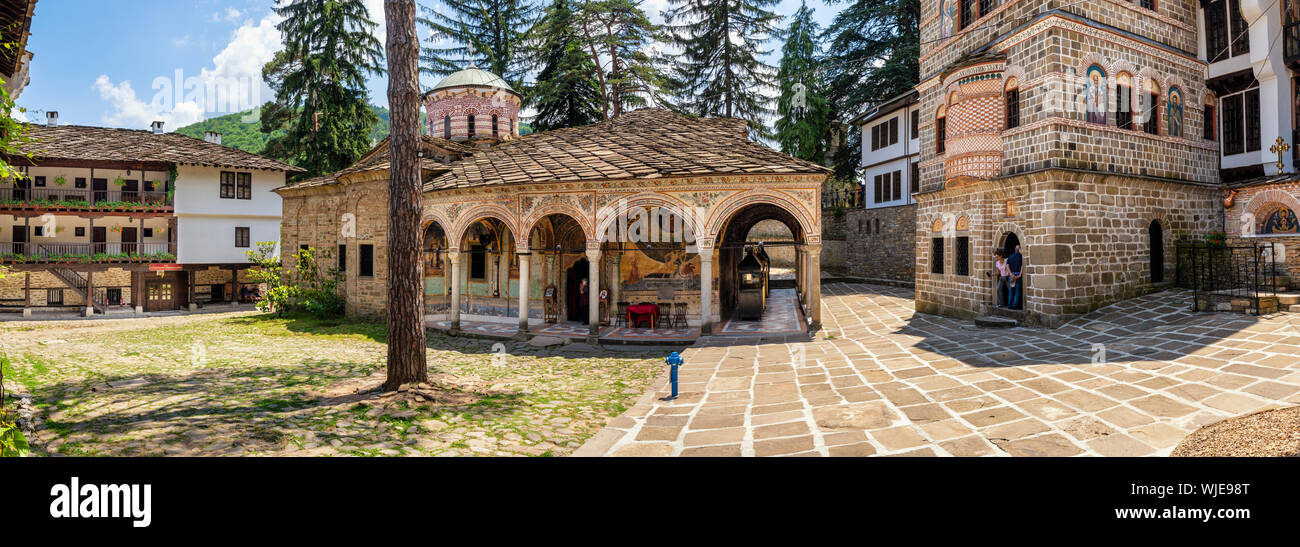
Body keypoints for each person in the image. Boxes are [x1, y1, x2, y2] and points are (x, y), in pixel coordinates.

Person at [1007, 244, 1024, 310]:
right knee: (1017, 291)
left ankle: (1009, 305)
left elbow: (1007, 266)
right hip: (1017, 274)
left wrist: (1010, 274)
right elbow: (1022, 266)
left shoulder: (1010, 256)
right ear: (1020, 249)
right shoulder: (1022, 256)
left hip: (1011, 274)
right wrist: (1020, 274)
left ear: (1015, 249)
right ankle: (1015, 305)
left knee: (1011, 290)